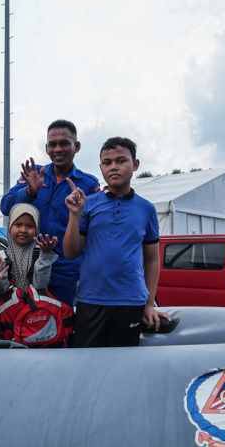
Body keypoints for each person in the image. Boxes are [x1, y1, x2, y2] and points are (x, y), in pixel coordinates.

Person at [63, 136, 161, 347]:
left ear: (135, 165)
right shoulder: (86, 204)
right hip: (90, 301)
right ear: (101, 168)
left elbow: (152, 259)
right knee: (87, 364)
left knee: (125, 367)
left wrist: (150, 304)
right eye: (107, 163)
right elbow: (71, 252)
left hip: (131, 302)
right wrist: (74, 215)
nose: (113, 167)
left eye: (121, 161)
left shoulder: (147, 209)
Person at [0, 120, 100, 305]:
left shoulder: (88, 184)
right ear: (46, 148)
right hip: (27, 269)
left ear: (76, 146)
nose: (58, 149)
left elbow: (93, 232)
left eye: (64, 143)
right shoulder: (34, 174)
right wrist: (29, 192)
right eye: (53, 144)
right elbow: (6, 207)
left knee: (64, 325)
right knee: (27, 325)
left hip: (67, 274)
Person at [0, 204, 58, 297]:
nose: (23, 230)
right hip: (9, 308)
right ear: (10, 227)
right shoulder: (2, 255)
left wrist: (45, 255)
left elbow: (40, 286)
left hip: (35, 309)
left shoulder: (40, 254)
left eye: (30, 226)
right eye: (18, 225)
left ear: (37, 230)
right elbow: (2, 289)